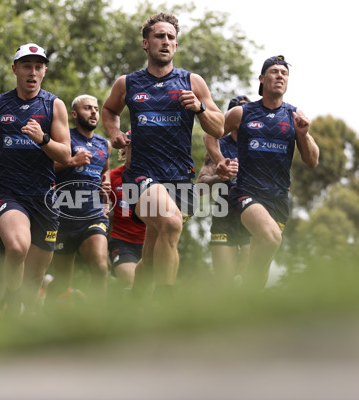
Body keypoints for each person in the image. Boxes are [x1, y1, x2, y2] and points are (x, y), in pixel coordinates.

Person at [101, 12, 226, 300]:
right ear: (146, 43)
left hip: (180, 176)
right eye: (159, 36)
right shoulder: (128, 83)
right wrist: (115, 133)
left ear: (176, 45)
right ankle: (166, 303)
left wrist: (200, 108)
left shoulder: (192, 82)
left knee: (155, 249)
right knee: (170, 223)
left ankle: (135, 301)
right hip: (141, 175)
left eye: (171, 37)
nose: (166, 41)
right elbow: (109, 111)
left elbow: (218, 128)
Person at [0, 43, 71, 316]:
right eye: (27, 66)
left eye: (38, 67)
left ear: (45, 71)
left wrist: (43, 139)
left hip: (45, 197)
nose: (32, 72)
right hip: (8, 192)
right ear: (15, 69)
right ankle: (12, 304)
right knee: (17, 246)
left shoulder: (54, 105)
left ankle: (25, 314)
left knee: (36, 275)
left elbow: (66, 153)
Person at [209, 55, 319, 289]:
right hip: (246, 193)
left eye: (284, 73)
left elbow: (312, 161)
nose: (280, 75)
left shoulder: (294, 115)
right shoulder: (242, 112)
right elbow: (211, 134)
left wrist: (303, 134)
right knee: (271, 238)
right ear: (261, 78)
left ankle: (247, 302)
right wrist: (219, 161)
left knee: (260, 276)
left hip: (278, 200)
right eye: (274, 71)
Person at [49, 94, 111, 302]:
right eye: (87, 108)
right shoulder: (64, 138)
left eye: (95, 108)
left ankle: (99, 314)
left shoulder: (104, 144)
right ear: (74, 114)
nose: (93, 112)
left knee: (101, 266)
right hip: (63, 218)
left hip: (92, 215)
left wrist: (106, 186)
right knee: (61, 284)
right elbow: (46, 169)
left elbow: (105, 172)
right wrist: (72, 161)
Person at [197, 95, 250, 285]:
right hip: (224, 219)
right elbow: (200, 186)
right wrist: (220, 176)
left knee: (252, 280)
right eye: (242, 112)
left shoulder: (258, 145)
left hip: (251, 220)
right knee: (224, 283)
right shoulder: (219, 146)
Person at [107, 135, 146, 290]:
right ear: (124, 149)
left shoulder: (154, 177)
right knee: (131, 284)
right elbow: (96, 204)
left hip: (149, 243)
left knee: (148, 291)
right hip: (122, 241)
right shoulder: (112, 177)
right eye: (132, 146)